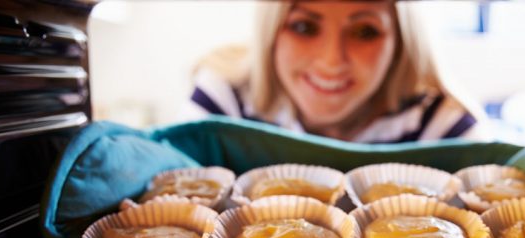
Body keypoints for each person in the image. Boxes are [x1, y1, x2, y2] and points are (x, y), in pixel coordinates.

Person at [182, 1, 489, 143]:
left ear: (400, 39)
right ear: (271, 30)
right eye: (304, 27)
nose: (332, 61)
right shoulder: (222, 103)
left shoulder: (444, 129)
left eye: (365, 31)